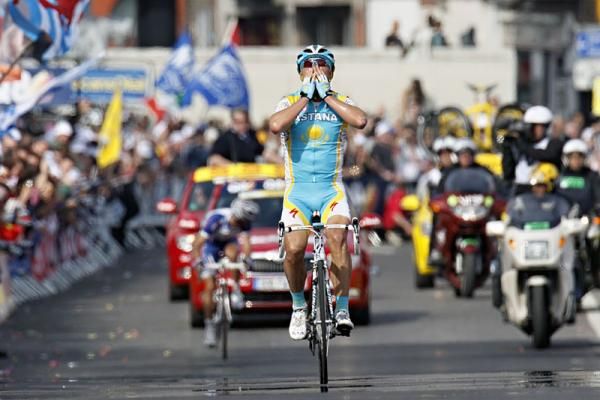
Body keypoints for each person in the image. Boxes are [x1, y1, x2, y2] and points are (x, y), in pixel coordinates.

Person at [269, 44, 367, 340]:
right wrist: (304, 98)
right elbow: (275, 125)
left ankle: (341, 308)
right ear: (300, 73)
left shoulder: (340, 100)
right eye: (308, 65)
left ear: (331, 72)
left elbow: (360, 120)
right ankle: (299, 306)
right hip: (298, 192)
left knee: (337, 237)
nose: (315, 70)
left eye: (321, 65)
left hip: (330, 190)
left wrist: (325, 96)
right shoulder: (288, 101)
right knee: (295, 248)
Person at [191, 199, 259, 347]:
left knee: (233, 253)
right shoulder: (216, 219)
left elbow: (246, 242)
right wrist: (197, 260)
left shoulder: (244, 223)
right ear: (235, 215)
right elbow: (197, 243)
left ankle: (235, 288)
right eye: (240, 221)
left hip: (229, 243)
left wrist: (247, 259)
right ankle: (209, 325)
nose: (242, 225)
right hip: (210, 246)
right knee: (209, 286)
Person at [501, 105, 564, 195]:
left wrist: (522, 146)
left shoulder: (554, 143)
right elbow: (499, 140)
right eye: (530, 126)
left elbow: (546, 155)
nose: (532, 130)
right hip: (521, 187)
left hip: (544, 189)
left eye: (537, 126)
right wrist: (506, 144)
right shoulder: (522, 143)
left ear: (546, 128)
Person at [507, 163, 570, 230]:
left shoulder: (557, 201)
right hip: (525, 235)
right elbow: (512, 217)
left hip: (550, 234)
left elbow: (564, 218)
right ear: (532, 187)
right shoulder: (520, 200)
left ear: (547, 186)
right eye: (537, 185)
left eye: (542, 185)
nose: (540, 189)